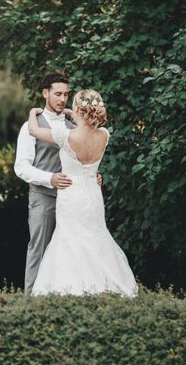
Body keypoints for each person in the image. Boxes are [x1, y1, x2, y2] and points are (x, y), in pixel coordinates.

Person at [27, 89, 138, 297]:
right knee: (95, 236)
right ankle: (102, 286)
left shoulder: (65, 136)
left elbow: (33, 131)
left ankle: (72, 289)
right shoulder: (104, 135)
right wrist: (75, 113)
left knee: (70, 238)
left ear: (79, 109)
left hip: (71, 193)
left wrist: (33, 113)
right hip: (93, 194)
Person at [14, 73, 78, 294]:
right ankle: (32, 299)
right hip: (43, 198)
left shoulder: (73, 125)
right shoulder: (30, 126)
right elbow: (21, 167)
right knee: (39, 249)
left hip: (72, 199)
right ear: (45, 93)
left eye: (66, 95)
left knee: (70, 250)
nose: (62, 99)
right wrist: (49, 179)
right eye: (58, 94)